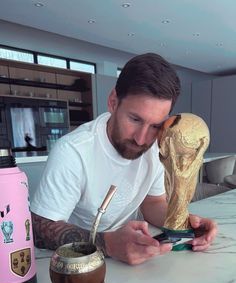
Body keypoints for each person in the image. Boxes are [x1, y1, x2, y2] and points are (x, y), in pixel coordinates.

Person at [31, 53, 217, 265]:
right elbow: (39, 228)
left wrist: (185, 224)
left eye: (155, 125)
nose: (142, 139)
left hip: (127, 257)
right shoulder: (73, 151)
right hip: (72, 263)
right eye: (135, 119)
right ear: (113, 102)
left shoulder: (156, 145)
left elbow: (153, 202)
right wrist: (107, 243)